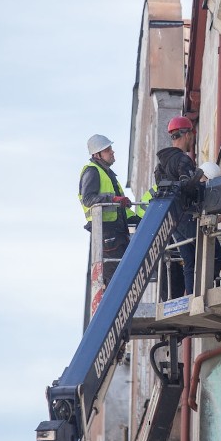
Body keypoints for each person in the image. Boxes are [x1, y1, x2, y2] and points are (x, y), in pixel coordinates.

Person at [155, 116, 221, 295]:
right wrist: (203, 186)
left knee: (189, 260)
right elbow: (188, 188)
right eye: (192, 134)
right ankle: (204, 293)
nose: (192, 139)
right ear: (186, 135)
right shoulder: (183, 161)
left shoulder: (160, 166)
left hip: (172, 220)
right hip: (186, 216)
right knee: (216, 255)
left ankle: (193, 296)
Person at [79, 134, 136, 327]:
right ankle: (112, 318)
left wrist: (140, 220)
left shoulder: (108, 175)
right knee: (114, 278)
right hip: (106, 234)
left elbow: (122, 211)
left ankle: (117, 314)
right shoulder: (92, 171)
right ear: (97, 154)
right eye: (108, 150)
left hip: (117, 233)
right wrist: (112, 199)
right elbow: (88, 200)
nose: (112, 153)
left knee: (121, 276)